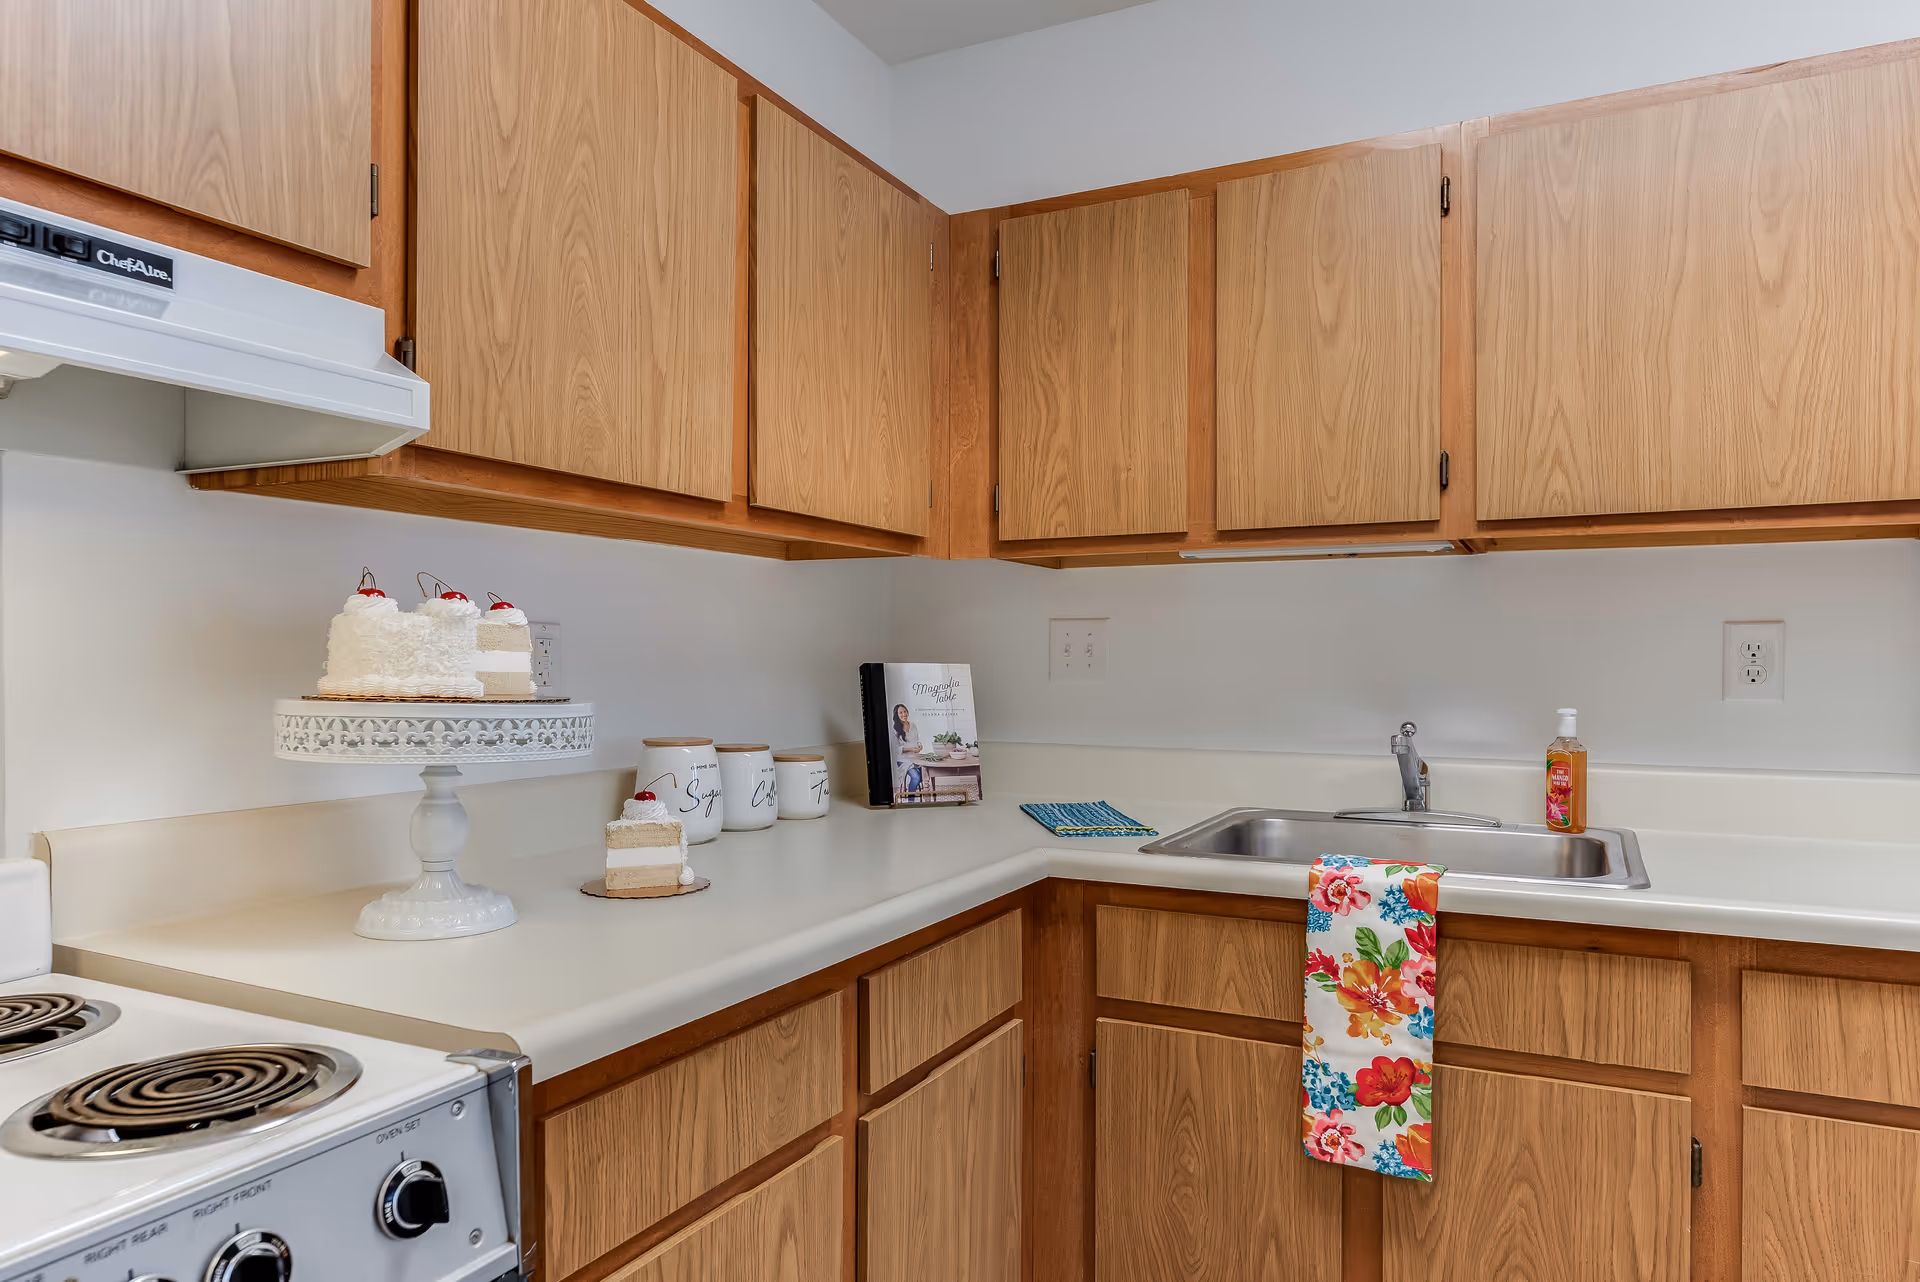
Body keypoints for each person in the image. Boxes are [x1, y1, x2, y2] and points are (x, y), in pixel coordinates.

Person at [891, 702, 925, 798]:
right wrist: (911, 749)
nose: (904, 714)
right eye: (901, 713)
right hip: (903, 760)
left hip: (916, 758)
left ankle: (911, 794)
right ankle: (911, 799)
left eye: (905, 711)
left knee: (925, 775)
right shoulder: (895, 730)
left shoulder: (913, 725)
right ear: (897, 715)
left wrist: (919, 746)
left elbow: (918, 740)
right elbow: (897, 749)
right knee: (916, 777)